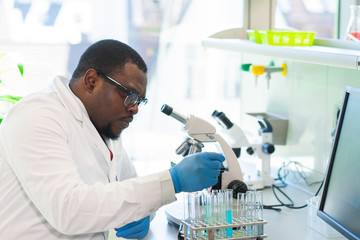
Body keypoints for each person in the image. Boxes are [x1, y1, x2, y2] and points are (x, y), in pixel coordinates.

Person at [0, 39, 225, 240]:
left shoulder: (105, 129)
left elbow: (131, 189)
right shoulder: (36, 116)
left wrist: (144, 214)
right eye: (130, 95)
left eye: (140, 101)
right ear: (91, 81)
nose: (135, 108)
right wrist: (172, 180)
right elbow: (68, 210)